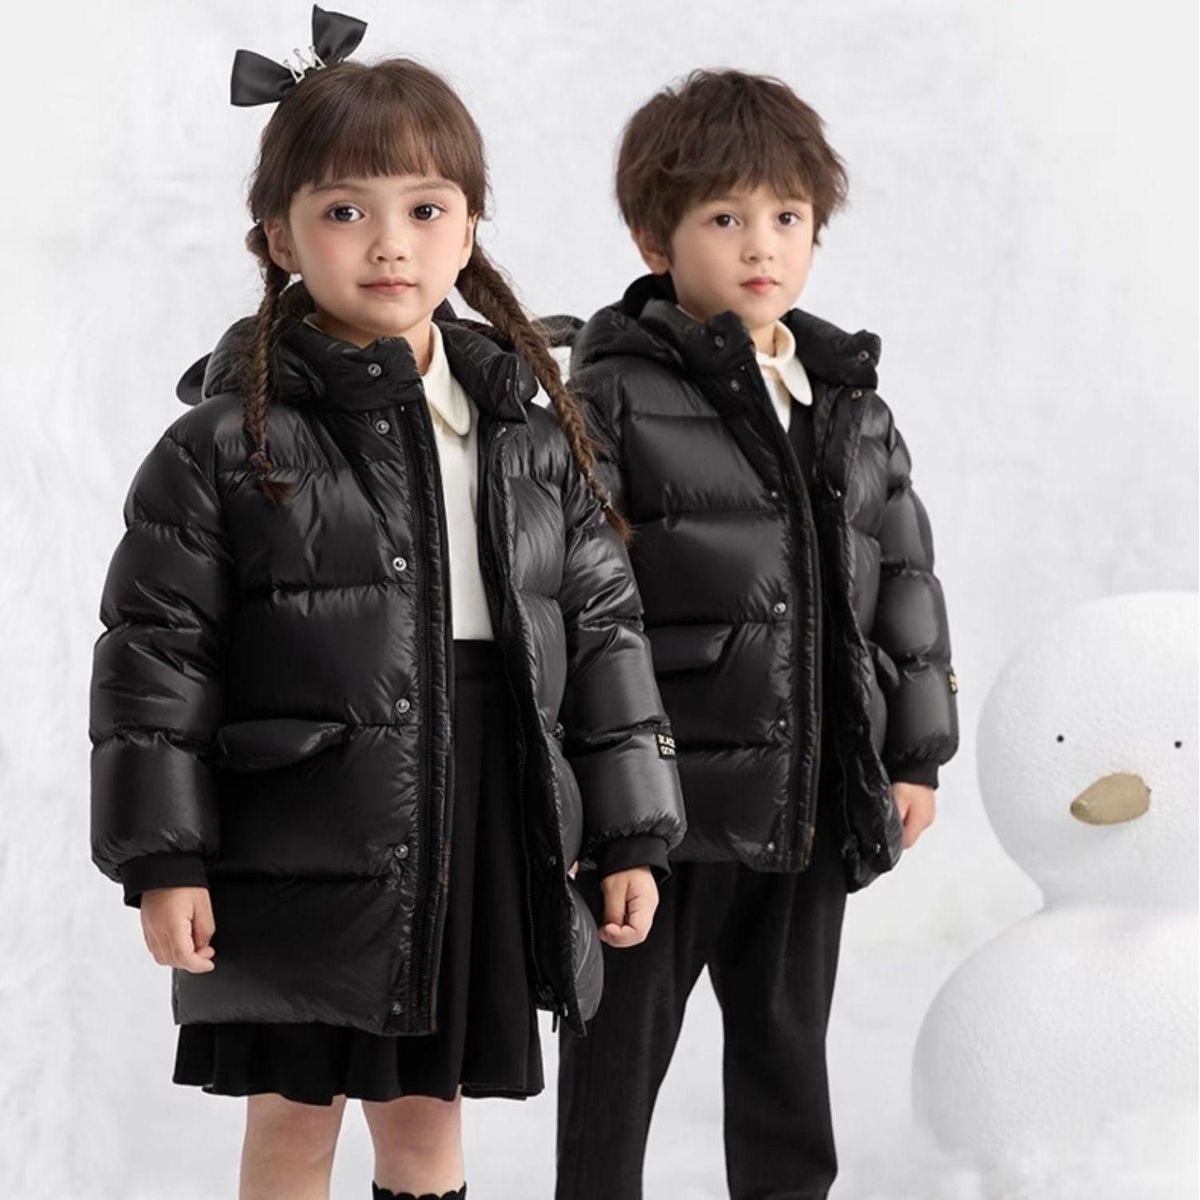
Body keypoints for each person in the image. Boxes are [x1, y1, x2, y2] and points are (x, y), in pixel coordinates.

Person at [87, 9, 685, 1200]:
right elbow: (155, 662)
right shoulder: (224, 446)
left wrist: (632, 829)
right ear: (279, 237)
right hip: (303, 831)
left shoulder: (528, 433)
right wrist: (166, 858)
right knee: (294, 1122)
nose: (390, 244)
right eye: (345, 211)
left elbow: (607, 637)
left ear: (469, 227)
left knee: (425, 1120)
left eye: (424, 208)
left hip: (481, 806)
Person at [556, 68, 960, 1199]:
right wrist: (606, 806)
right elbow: (582, 611)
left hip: (812, 793)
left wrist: (914, 754)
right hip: (666, 808)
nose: (761, 246)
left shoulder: (850, 406)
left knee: (788, 1052)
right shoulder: (613, 400)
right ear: (656, 239)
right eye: (724, 219)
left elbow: (905, 584)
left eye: (786, 217)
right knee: (616, 1056)